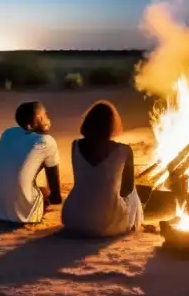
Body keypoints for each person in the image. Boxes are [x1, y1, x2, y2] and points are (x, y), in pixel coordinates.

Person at [61, 100, 143, 237]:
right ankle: (132, 222)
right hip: (107, 224)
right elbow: (127, 189)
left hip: (74, 218)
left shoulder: (75, 145)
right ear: (111, 125)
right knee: (133, 191)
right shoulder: (124, 150)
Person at [0, 101, 63, 224]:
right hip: (19, 216)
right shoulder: (46, 141)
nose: (47, 117)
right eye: (44, 115)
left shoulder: (7, 133)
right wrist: (53, 199)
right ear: (34, 122)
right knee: (45, 191)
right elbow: (55, 194)